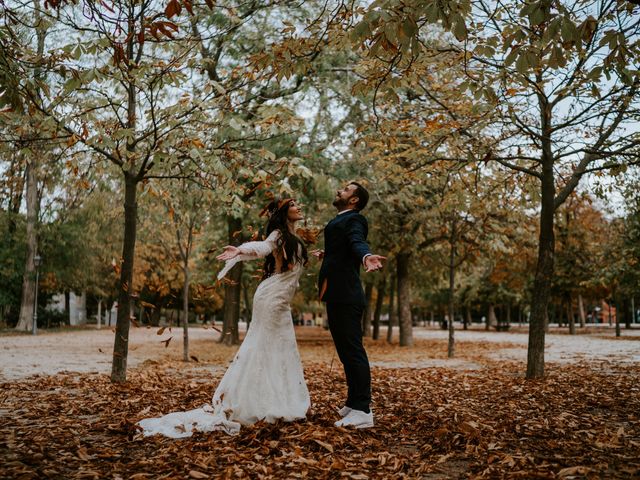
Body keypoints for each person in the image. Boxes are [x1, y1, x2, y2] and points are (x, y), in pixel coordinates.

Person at [138, 198, 310, 437]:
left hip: (279, 299)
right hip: (271, 299)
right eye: (293, 205)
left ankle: (276, 398)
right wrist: (240, 249)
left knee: (279, 348)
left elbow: (292, 262)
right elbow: (262, 247)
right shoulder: (278, 234)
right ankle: (259, 402)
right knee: (263, 346)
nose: (298, 207)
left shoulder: (292, 238)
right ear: (284, 212)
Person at [314, 182, 385, 429]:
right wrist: (329, 254)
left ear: (354, 200)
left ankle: (363, 410)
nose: (340, 190)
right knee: (346, 353)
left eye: (346, 189)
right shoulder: (341, 219)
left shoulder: (355, 219)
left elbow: (356, 242)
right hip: (337, 293)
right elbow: (345, 247)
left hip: (346, 295)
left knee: (353, 353)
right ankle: (353, 402)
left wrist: (366, 256)